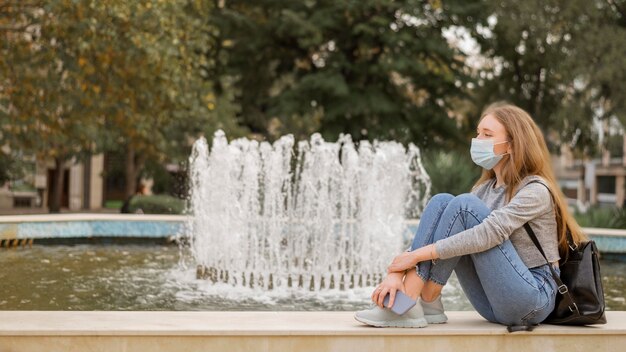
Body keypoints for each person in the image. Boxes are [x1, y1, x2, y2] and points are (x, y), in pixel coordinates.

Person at [354, 103, 587, 329]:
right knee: (442, 202)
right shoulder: (483, 190)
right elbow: (443, 233)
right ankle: (428, 302)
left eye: (487, 134)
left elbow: (490, 233)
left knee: (463, 206)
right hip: (492, 303)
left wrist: (413, 259)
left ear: (512, 145)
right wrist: (395, 272)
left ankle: (409, 300)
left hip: (532, 299)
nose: (477, 141)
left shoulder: (535, 189)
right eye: (478, 133)